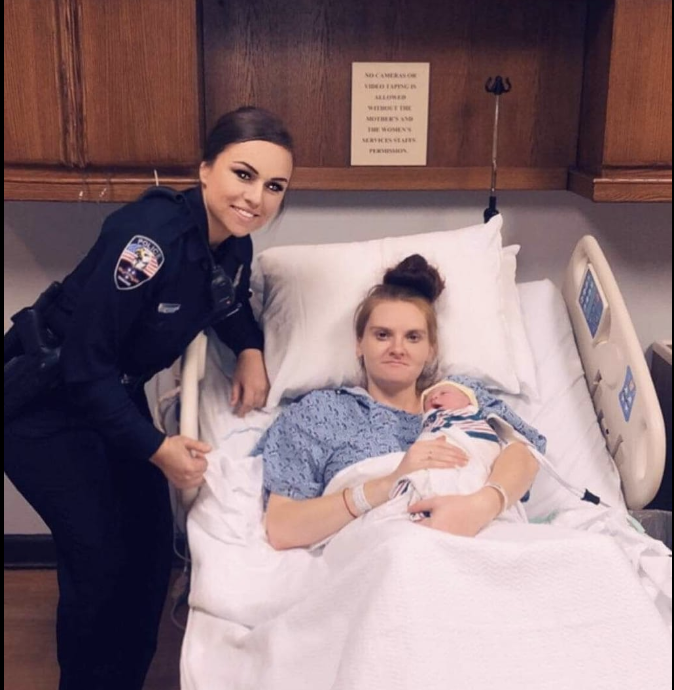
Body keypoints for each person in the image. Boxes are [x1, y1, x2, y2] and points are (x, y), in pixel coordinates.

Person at [3, 106, 294, 690]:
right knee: (99, 561)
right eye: (243, 174)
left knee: (151, 557)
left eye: (274, 186)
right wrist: (157, 447)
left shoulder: (232, 247)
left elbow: (226, 302)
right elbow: (85, 368)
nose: (256, 197)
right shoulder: (148, 239)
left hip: (109, 397)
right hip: (43, 403)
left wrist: (250, 349)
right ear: (206, 169)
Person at [259, 254, 544, 551]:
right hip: (386, 548)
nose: (397, 349)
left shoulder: (461, 395)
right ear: (359, 344)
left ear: (431, 349)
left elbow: (525, 454)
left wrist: (479, 507)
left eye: (413, 337)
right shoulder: (321, 412)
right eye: (382, 335)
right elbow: (283, 528)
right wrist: (389, 483)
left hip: (486, 535)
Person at [396, 380, 528, 523]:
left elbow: (517, 448)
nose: (434, 397)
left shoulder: (475, 419)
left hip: (474, 471)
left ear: (469, 401)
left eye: (443, 393)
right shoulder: (429, 426)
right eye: (428, 400)